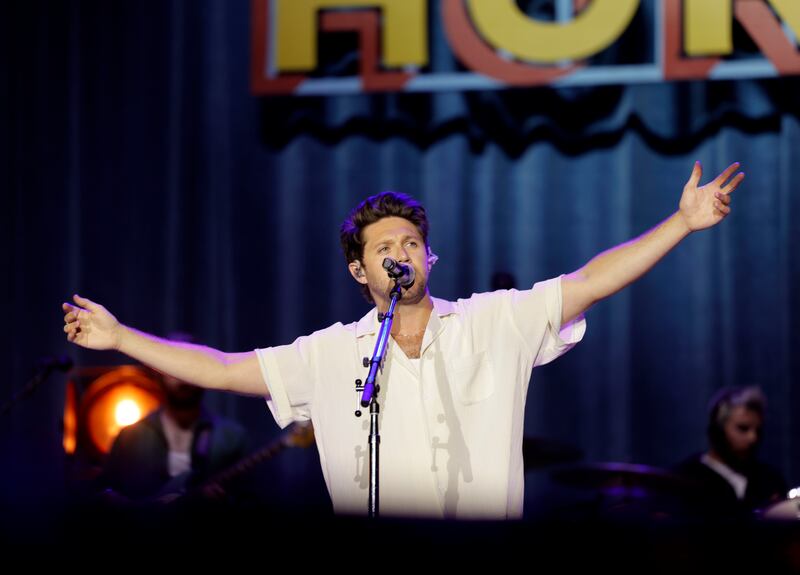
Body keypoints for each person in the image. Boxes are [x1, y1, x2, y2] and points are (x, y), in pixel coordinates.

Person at [63, 161, 744, 519]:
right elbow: (219, 369)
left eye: (412, 242)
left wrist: (680, 224)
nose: (402, 252)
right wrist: (122, 335)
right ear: (360, 270)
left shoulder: (492, 320)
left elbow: (591, 281)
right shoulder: (329, 353)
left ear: (430, 257)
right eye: (385, 245)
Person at [102, 333, 249, 503]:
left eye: (191, 367)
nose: (182, 376)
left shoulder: (232, 438)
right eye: (173, 366)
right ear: (157, 373)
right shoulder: (129, 437)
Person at [675, 386, 787, 519]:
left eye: (758, 430)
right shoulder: (685, 477)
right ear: (717, 430)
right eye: (743, 428)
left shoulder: (769, 479)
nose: (753, 438)